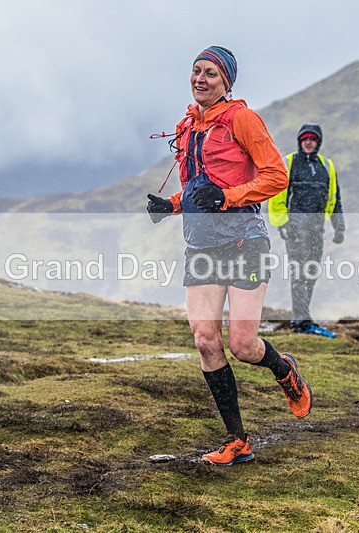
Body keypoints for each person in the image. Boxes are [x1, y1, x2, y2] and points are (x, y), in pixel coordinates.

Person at [145, 46, 312, 465]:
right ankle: (237, 441)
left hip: (244, 242)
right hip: (201, 245)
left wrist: (227, 198)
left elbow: (277, 175)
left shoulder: (242, 119)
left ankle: (283, 369)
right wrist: (173, 204)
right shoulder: (187, 126)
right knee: (205, 341)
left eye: (211, 74)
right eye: (196, 71)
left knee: (241, 343)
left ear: (227, 83)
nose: (201, 79)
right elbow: (203, 188)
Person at [267, 123, 345, 337]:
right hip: (296, 228)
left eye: (312, 139)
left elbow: (334, 200)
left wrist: (339, 228)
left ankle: (303, 317)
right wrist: (283, 223)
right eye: (305, 139)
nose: (308, 142)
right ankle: (299, 321)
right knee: (299, 273)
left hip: (316, 229)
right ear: (300, 141)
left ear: (318, 142)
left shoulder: (326, 166)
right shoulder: (290, 163)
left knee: (311, 272)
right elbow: (277, 196)